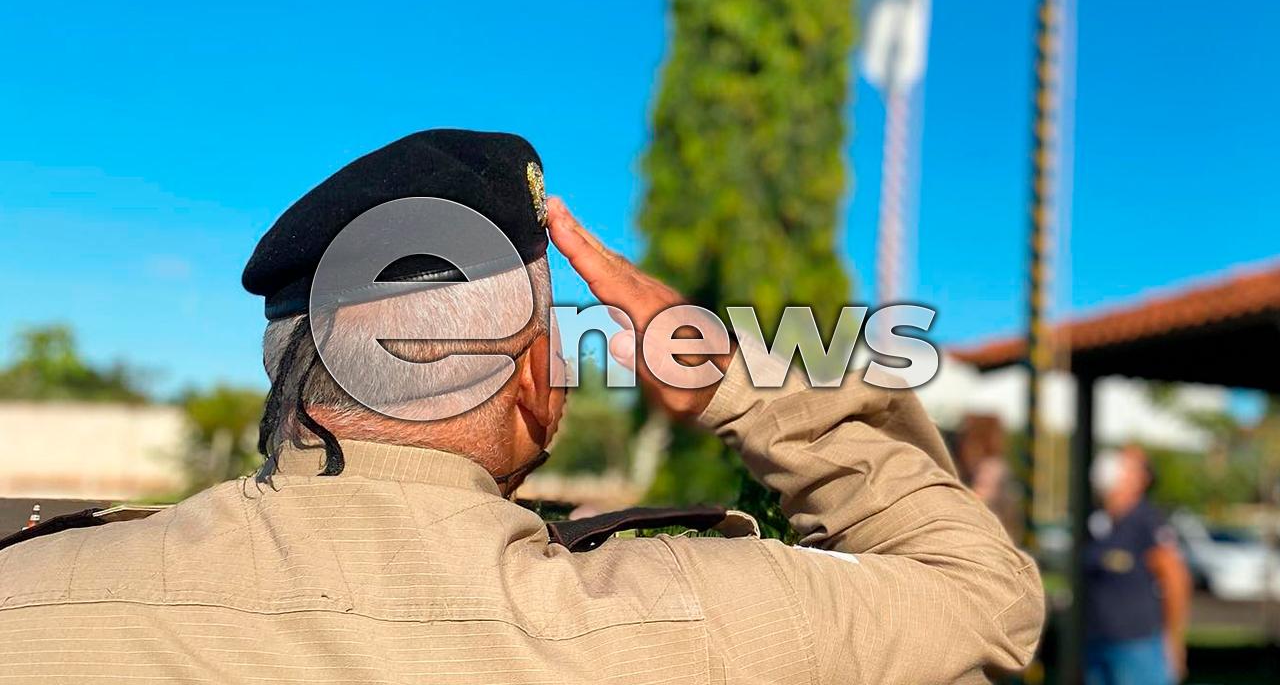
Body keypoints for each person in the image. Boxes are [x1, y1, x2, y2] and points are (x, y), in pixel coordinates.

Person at [0, 130, 1044, 683]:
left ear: (287, 365)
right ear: (534, 378)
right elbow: (980, 597)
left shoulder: (30, 596)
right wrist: (730, 374)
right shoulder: (705, 622)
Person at [1085, 445, 1192, 685]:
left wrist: (1173, 640)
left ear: (1141, 479)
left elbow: (1176, 579)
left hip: (1138, 646)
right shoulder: (1098, 520)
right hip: (1097, 643)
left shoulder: (1148, 521)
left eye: (1125, 465)